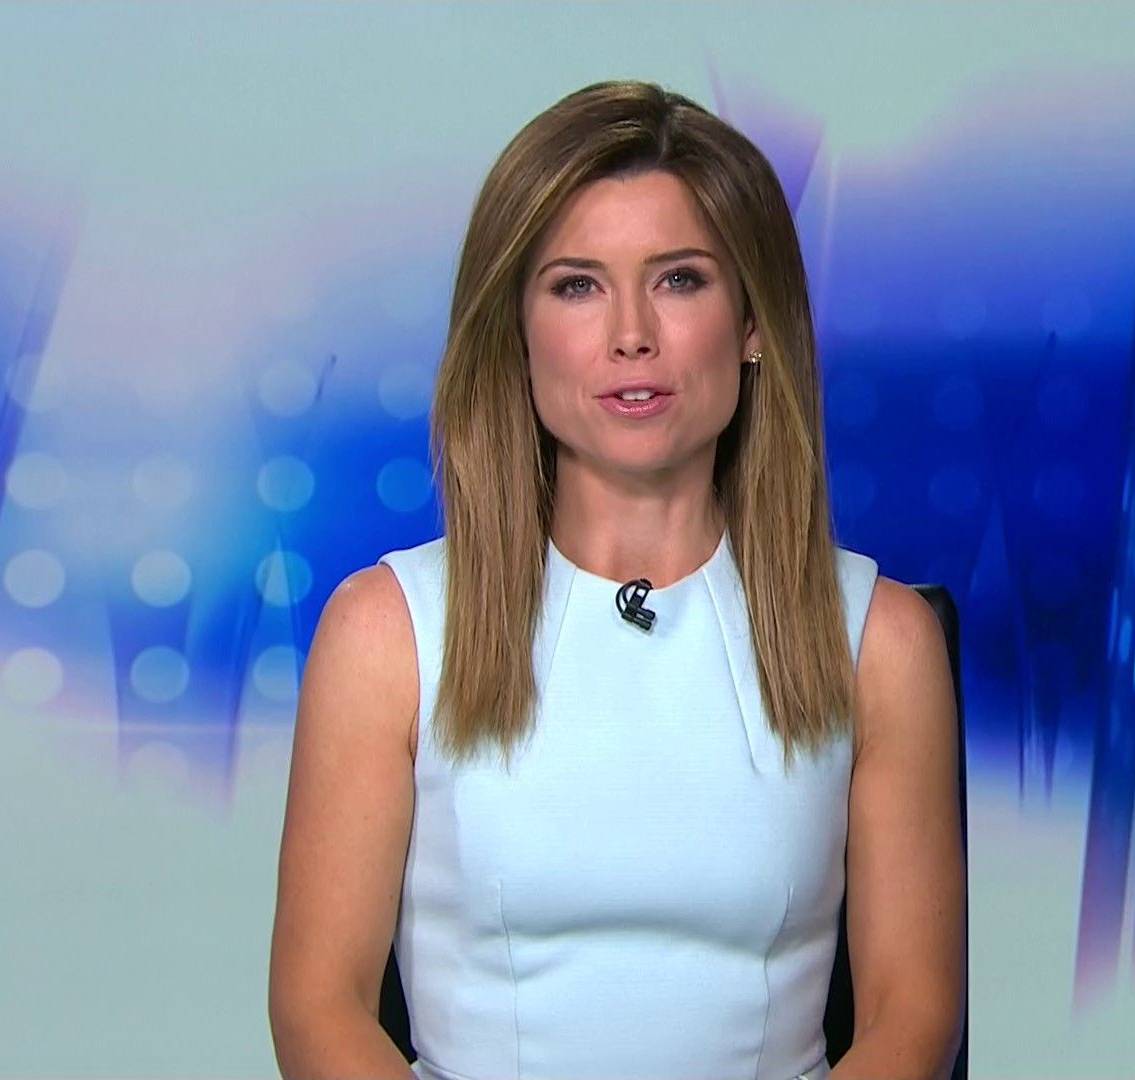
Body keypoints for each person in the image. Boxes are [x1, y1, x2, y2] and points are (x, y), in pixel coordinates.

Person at [268, 79, 965, 1080]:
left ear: (753, 321)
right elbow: (318, 1011)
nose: (631, 333)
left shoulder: (883, 644)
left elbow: (912, 1018)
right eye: (577, 286)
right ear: (515, 331)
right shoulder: (386, 634)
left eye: (679, 280)